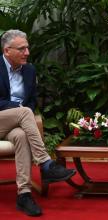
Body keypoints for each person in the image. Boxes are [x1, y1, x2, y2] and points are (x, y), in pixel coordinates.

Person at [0, 29, 76, 216]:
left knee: (22, 136)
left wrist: (21, 112)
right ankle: (45, 164)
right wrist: (17, 108)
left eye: (27, 48)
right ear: (7, 50)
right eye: (22, 49)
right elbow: (24, 107)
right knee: (25, 111)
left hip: (14, 125)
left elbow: (33, 100)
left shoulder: (30, 69)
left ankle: (23, 195)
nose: (27, 52)